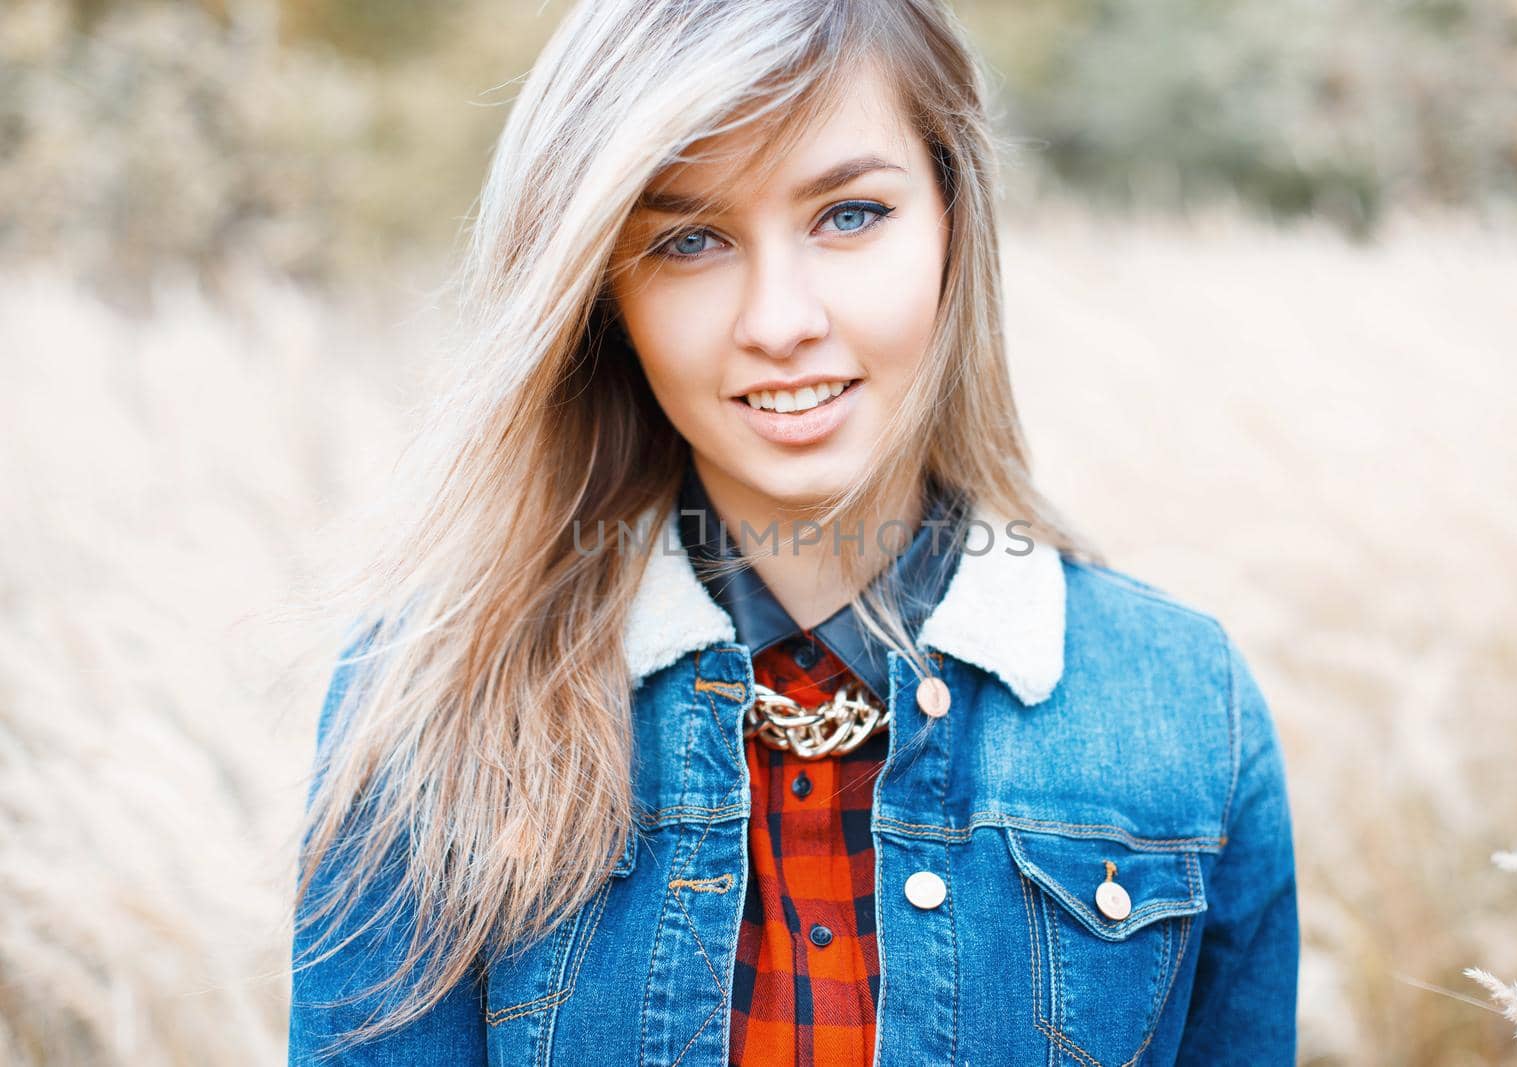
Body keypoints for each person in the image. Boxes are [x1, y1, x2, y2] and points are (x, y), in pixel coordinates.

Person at [286, 0, 1300, 1064]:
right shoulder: (431, 704)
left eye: (849, 215)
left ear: (955, 220)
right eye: (689, 239)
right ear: (599, 293)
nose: (779, 321)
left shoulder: (1185, 708)